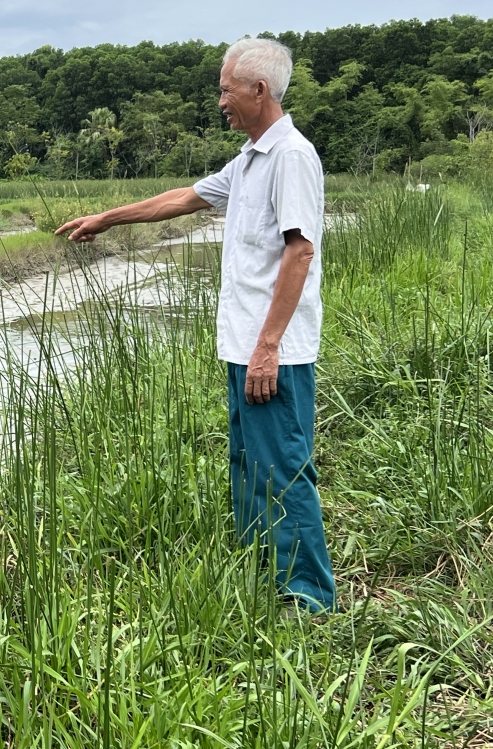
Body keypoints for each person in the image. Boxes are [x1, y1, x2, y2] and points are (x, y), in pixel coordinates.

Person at [54, 37, 337, 613]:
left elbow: (300, 252)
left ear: (259, 90)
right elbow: (185, 197)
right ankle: (262, 574)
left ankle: (308, 599)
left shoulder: (291, 157)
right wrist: (108, 218)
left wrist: (268, 347)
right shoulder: (253, 157)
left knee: (283, 468)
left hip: (271, 350)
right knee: (249, 462)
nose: (220, 101)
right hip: (244, 345)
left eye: (225, 89)